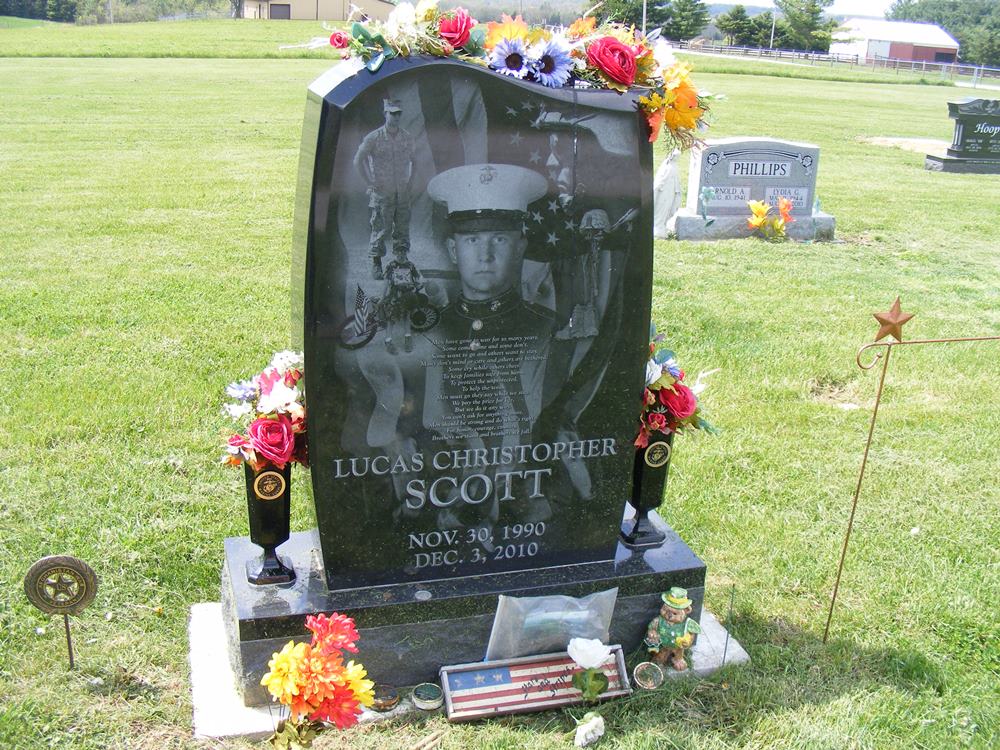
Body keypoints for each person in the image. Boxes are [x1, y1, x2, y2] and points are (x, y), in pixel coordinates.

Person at [353, 98, 415, 280]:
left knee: (402, 227)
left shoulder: (407, 137)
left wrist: (411, 181)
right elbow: (358, 160)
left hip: (402, 192)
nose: (395, 117)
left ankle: (401, 260)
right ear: (385, 113)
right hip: (382, 193)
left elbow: (415, 161)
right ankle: (376, 263)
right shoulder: (374, 137)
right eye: (392, 113)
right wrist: (369, 182)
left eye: (398, 113)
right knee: (381, 228)